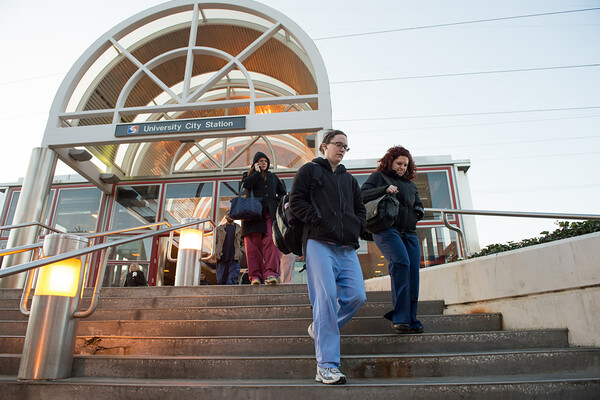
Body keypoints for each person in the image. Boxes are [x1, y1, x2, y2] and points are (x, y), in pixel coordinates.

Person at [289, 129, 367, 385]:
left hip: (346, 247)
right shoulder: (309, 171)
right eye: (338, 144)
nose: (342, 149)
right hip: (318, 242)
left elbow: (360, 209)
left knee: (357, 295)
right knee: (324, 300)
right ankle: (327, 366)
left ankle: (318, 328)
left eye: (346, 146)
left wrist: (357, 225)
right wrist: (317, 220)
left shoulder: (349, 180)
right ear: (324, 146)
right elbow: (296, 200)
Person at [361, 145, 425, 335]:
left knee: (413, 271)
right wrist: (384, 189)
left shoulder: (411, 185)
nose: (402, 167)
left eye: (406, 164)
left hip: (410, 233)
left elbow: (418, 204)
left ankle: (412, 319)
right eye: (399, 163)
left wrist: (418, 213)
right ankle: (400, 318)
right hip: (386, 230)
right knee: (401, 263)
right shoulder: (378, 178)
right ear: (390, 162)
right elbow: (361, 194)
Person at [240, 151, 287, 285]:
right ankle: (255, 276)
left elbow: (283, 193)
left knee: (271, 244)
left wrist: (275, 203)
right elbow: (246, 185)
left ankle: (271, 274)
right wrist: (255, 172)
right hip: (252, 216)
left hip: (269, 214)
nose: (263, 163)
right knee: (252, 247)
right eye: (260, 161)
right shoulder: (248, 175)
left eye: (265, 161)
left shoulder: (273, 177)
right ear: (255, 163)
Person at [214, 210, 243, 285]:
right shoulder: (219, 229)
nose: (230, 216)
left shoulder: (240, 229)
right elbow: (215, 242)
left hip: (234, 259)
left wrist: (241, 251)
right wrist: (215, 252)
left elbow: (243, 243)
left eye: (231, 214)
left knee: (232, 281)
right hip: (221, 259)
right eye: (228, 214)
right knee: (221, 281)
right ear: (225, 216)